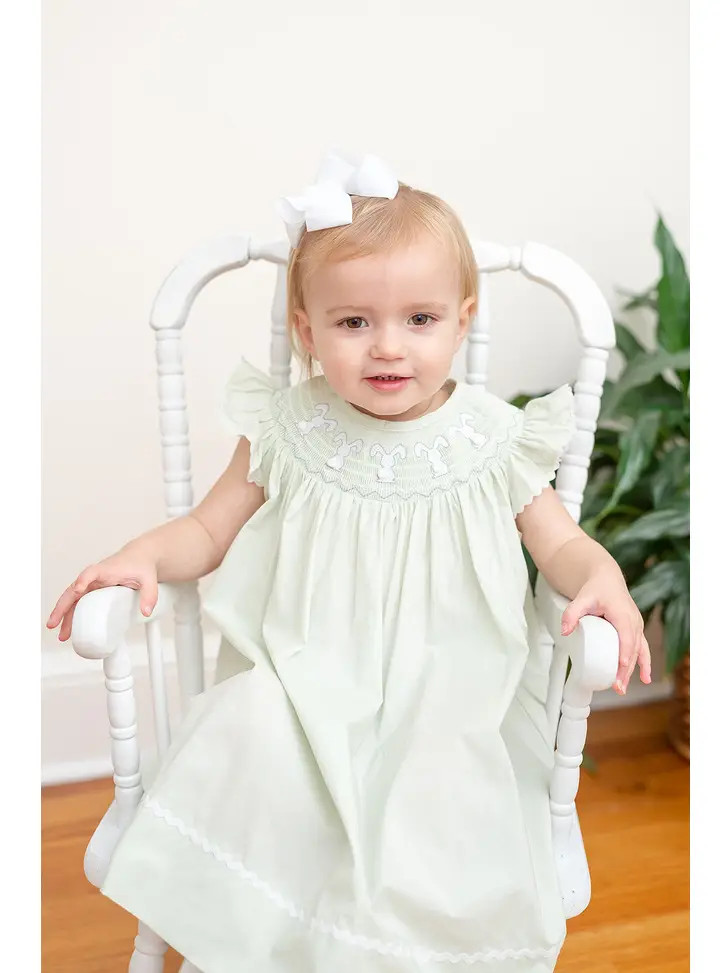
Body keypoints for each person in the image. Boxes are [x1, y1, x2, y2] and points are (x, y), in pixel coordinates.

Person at [47, 154, 651, 973]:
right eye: (354, 322)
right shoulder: (289, 427)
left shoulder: (491, 440)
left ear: (463, 320)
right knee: (249, 727)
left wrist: (602, 577)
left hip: (445, 692)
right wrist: (144, 554)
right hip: (304, 682)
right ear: (308, 331)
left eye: (420, 318)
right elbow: (207, 531)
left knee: (433, 789)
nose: (388, 346)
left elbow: (562, 544)